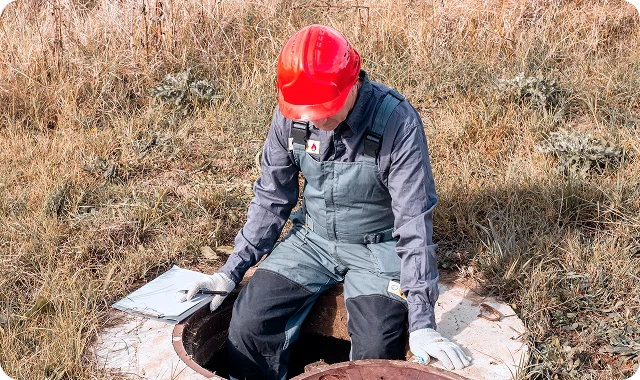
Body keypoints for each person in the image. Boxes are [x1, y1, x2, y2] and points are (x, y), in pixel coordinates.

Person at [182, 24, 471, 380]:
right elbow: (273, 196)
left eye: (324, 108)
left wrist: (423, 322)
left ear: (353, 84)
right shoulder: (293, 116)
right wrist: (230, 271)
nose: (316, 120)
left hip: (379, 250)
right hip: (312, 241)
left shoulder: (396, 122)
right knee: (248, 323)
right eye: (307, 112)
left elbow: (413, 222)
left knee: (376, 352)